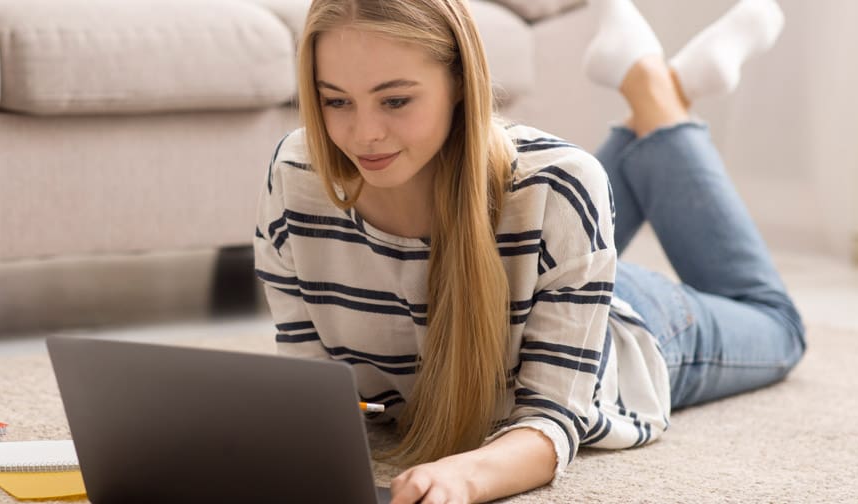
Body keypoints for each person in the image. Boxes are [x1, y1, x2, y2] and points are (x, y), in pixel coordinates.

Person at [252, 0, 805, 501]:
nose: (364, 133)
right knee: (559, 203)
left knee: (777, 326)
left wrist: (465, 476)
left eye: (395, 99)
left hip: (615, 329)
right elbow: (313, 395)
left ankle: (653, 91)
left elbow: (552, 417)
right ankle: (664, 85)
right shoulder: (298, 176)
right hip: (546, 253)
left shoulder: (560, 187)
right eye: (335, 101)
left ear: (461, 83)